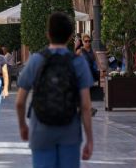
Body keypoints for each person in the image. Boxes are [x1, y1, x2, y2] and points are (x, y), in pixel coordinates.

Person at [16, 12, 94, 167]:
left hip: (40, 130)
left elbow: (19, 102)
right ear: (71, 35)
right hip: (70, 131)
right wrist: (90, 139)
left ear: (48, 34)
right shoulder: (78, 63)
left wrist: (23, 126)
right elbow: (85, 106)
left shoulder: (36, 60)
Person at [75, 34, 102, 112]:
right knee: (85, 91)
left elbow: (97, 62)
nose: (88, 43)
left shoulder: (93, 52)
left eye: (89, 41)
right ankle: (87, 107)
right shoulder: (80, 51)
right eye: (86, 41)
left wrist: (101, 70)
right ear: (83, 42)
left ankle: (84, 107)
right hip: (82, 73)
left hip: (91, 73)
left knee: (88, 91)